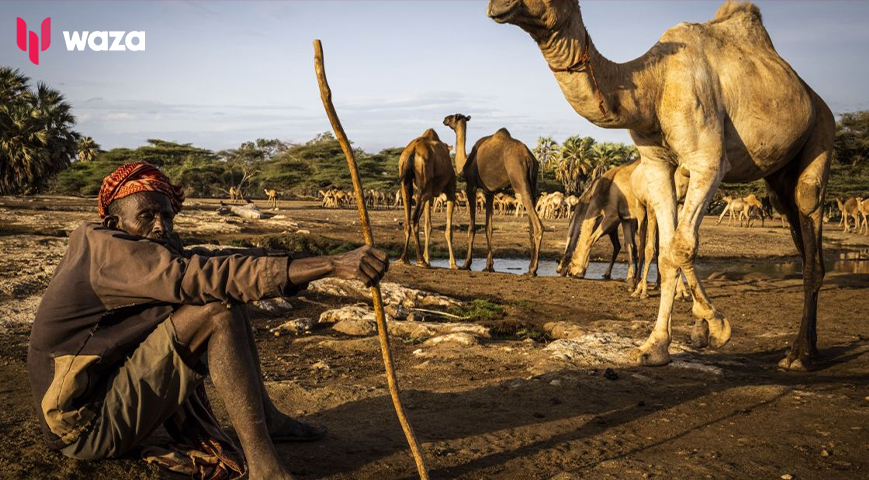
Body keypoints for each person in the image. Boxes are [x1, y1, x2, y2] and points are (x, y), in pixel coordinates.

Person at [27, 162, 388, 480]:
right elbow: (194, 277)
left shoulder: (134, 246)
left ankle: (270, 420)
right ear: (114, 222)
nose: (160, 227)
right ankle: (264, 470)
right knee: (216, 312)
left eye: (166, 216)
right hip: (83, 426)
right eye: (147, 216)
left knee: (227, 292)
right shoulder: (107, 252)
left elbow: (219, 264)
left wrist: (322, 262)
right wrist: (331, 265)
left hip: (107, 396)